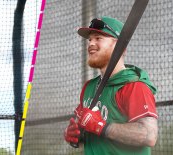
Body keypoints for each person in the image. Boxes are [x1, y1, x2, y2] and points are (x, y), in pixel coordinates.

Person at [63, 16, 158, 155]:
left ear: (119, 47)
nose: (91, 44)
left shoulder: (134, 86)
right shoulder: (89, 87)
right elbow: (84, 129)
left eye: (98, 38)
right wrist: (74, 135)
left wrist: (101, 126)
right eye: (90, 39)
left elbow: (149, 135)